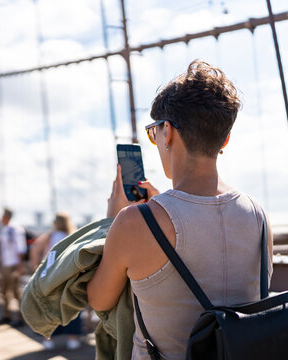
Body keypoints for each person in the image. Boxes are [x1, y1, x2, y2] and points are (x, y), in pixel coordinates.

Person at [87, 60, 273, 360]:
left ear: (168, 132)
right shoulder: (257, 215)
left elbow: (98, 298)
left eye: (154, 132)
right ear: (225, 138)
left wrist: (111, 221)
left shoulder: (135, 223)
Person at [30, 213, 82, 350]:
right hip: (69, 276)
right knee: (71, 306)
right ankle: (72, 338)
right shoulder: (73, 235)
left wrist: (36, 267)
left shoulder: (49, 236)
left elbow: (35, 249)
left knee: (49, 308)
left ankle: (48, 339)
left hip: (50, 277)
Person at [0, 208, 27, 327]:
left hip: (14, 264)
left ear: (6, 216)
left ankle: (21, 317)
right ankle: (7, 315)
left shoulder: (15, 229)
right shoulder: (5, 229)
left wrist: (20, 265)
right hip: (6, 264)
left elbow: (20, 248)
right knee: (4, 291)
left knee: (16, 291)